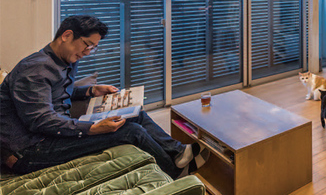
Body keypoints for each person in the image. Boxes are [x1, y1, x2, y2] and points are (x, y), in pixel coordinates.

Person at [0, 15, 208, 178]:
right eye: (87, 44)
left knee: (135, 114)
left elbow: (56, 93)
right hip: (29, 150)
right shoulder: (34, 69)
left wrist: (91, 91)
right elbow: (40, 121)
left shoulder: (64, 60)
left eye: (94, 48)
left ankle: (178, 151)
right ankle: (174, 171)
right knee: (131, 131)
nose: (88, 52)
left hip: (53, 133)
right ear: (66, 35)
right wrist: (91, 128)